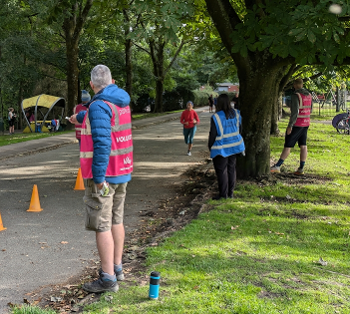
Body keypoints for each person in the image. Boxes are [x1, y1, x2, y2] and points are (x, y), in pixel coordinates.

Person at [69, 65, 133, 293]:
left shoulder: (98, 105)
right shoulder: (120, 102)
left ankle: (107, 278)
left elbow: (102, 143)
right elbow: (101, 117)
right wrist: (79, 117)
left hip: (105, 176)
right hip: (122, 171)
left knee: (102, 225)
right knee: (116, 220)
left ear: (91, 85)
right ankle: (117, 268)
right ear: (112, 81)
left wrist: (98, 179)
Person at [270, 78, 312, 175]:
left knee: (288, 145)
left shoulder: (296, 95)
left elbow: (295, 112)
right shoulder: (309, 95)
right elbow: (311, 109)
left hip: (297, 124)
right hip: (306, 123)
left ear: (295, 85)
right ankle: (301, 168)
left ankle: (278, 166)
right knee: (303, 145)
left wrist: (290, 125)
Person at [208, 94, 245, 200]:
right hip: (234, 147)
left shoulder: (216, 117)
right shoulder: (236, 113)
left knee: (222, 171)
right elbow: (240, 129)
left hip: (221, 148)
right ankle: (230, 193)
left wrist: (210, 146)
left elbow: (213, 134)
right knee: (231, 169)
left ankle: (223, 194)